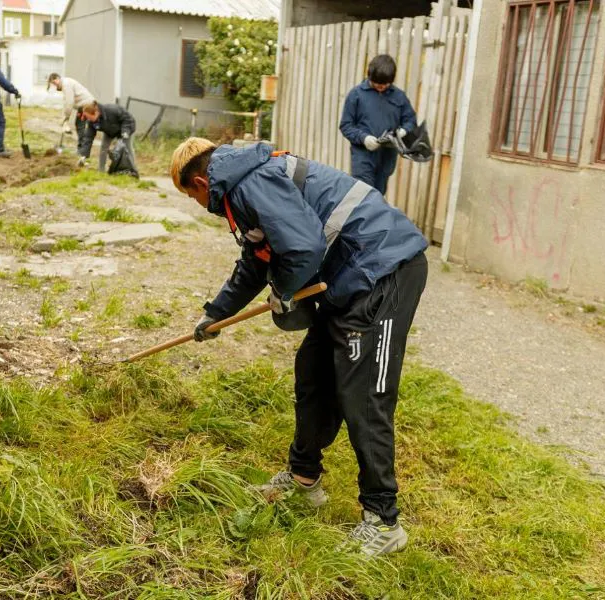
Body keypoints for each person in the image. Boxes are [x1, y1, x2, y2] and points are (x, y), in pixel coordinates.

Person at [170, 138, 429, 556]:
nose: (200, 205)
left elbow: (304, 247)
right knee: (313, 372)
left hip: (384, 267)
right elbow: (256, 262)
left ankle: (383, 521)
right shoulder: (242, 185)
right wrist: (215, 313)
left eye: (192, 197)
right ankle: (304, 479)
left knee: (363, 394)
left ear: (201, 182)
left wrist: (285, 291)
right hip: (347, 277)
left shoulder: (249, 182)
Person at [339, 54, 417, 195]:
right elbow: (346, 125)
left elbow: (410, 120)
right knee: (362, 194)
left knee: (378, 195)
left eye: (385, 84)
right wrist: (364, 138)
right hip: (363, 156)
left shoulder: (399, 97)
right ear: (369, 76)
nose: (381, 87)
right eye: (377, 84)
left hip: (387, 156)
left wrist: (403, 131)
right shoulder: (356, 95)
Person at [46, 73, 96, 166]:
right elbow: (66, 103)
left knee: (81, 127)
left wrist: (65, 119)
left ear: (57, 79)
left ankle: (82, 152)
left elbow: (69, 103)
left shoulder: (66, 84)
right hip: (85, 105)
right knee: (79, 125)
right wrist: (64, 119)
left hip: (87, 105)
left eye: (54, 83)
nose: (54, 86)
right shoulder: (65, 84)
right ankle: (81, 151)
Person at [80, 101, 136, 173]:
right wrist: (84, 155)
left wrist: (125, 133)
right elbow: (88, 138)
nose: (88, 119)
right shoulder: (91, 122)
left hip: (125, 128)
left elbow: (128, 119)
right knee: (103, 148)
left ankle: (133, 170)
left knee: (127, 149)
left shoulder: (111, 110)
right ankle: (101, 171)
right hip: (110, 131)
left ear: (96, 113)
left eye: (89, 117)